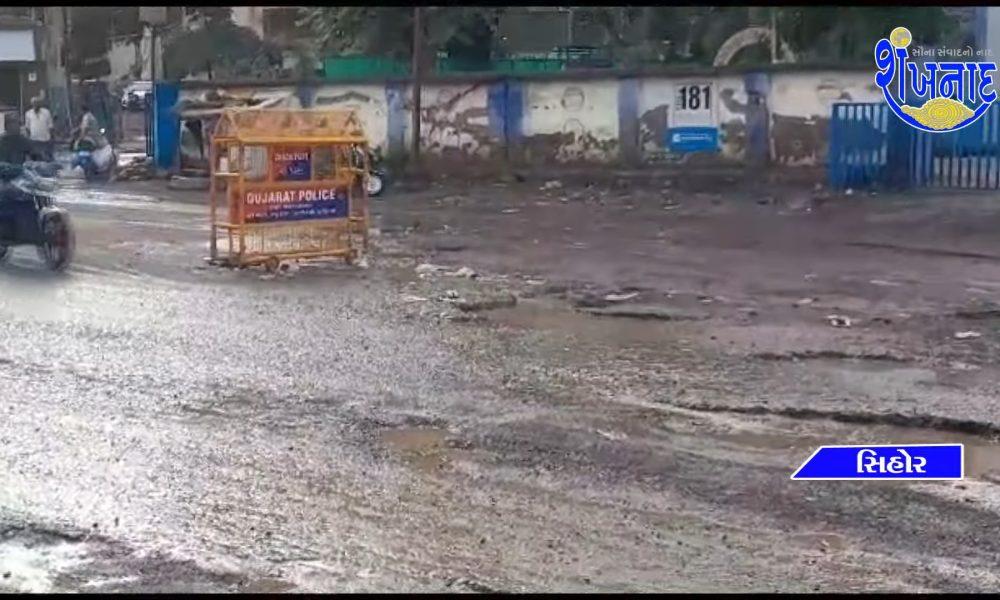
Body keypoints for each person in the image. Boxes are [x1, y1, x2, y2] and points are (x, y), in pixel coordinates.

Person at [23, 97, 54, 162]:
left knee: (47, 158)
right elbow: (27, 127)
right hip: (34, 140)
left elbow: (50, 125)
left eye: (37, 103)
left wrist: (51, 138)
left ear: (40, 104)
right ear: (32, 104)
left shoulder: (46, 112)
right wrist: (28, 139)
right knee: (35, 159)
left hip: (45, 139)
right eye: (34, 103)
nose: (36, 105)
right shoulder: (28, 113)